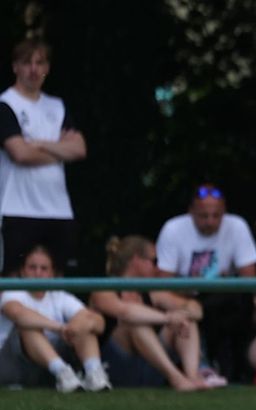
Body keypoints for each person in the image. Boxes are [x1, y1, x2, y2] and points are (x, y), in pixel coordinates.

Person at [155, 183, 256, 383]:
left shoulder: (236, 226)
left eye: (216, 215)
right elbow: (163, 283)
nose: (210, 221)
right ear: (191, 212)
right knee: (195, 309)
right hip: (185, 298)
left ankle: (235, 369)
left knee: (242, 303)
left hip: (224, 301)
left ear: (224, 212)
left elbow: (250, 279)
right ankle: (200, 366)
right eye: (204, 216)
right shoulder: (173, 228)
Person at [0, 38, 86, 275]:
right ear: (15, 66)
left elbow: (79, 149)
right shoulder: (5, 104)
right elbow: (20, 153)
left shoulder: (57, 106)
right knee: (13, 283)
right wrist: (60, 151)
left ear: (47, 68)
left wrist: (40, 144)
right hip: (17, 209)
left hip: (59, 210)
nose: (34, 69)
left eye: (40, 62)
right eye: (27, 63)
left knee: (60, 285)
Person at [89, 236, 209, 391]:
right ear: (136, 260)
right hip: (115, 368)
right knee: (135, 325)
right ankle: (177, 378)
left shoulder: (153, 292)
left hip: (150, 367)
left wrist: (182, 315)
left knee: (186, 320)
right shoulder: (104, 290)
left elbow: (195, 309)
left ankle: (192, 377)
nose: (158, 268)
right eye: (155, 261)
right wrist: (167, 318)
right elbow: (125, 312)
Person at [0, 245, 109, 392]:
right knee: (28, 327)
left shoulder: (59, 296)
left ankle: (94, 375)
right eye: (32, 267)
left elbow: (98, 322)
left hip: (51, 366)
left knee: (85, 326)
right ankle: (62, 372)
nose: (38, 273)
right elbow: (18, 313)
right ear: (23, 271)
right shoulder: (13, 293)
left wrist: (76, 327)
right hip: (15, 367)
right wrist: (59, 328)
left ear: (52, 273)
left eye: (44, 268)